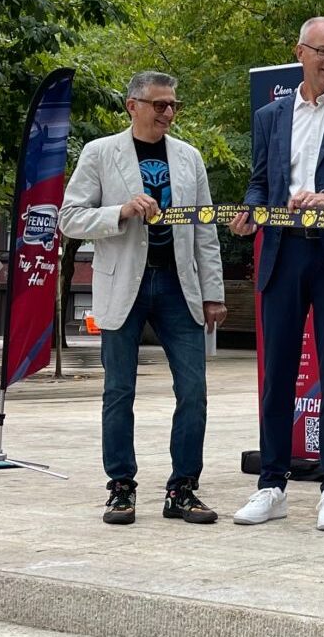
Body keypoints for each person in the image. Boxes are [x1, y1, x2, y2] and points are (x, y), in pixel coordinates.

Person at [228, 17, 324, 532]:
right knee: (278, 376)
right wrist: (250, 210)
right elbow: (259, 181)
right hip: (283, 252)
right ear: (301, 52)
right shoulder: (270, 115)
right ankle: (271, 485)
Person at [60, 71, 227, 525]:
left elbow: (205, 230)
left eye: (173, 105)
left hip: (179, 285)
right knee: (119, 391)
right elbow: (69, 218)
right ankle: (120, 487)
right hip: (122, 285)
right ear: (133, 105)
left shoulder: (189, 158)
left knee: (193, 391)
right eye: (159, 105)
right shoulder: (100, 153)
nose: (168, 113)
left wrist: (214, 293)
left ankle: (183, 489)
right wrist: (121, 211)